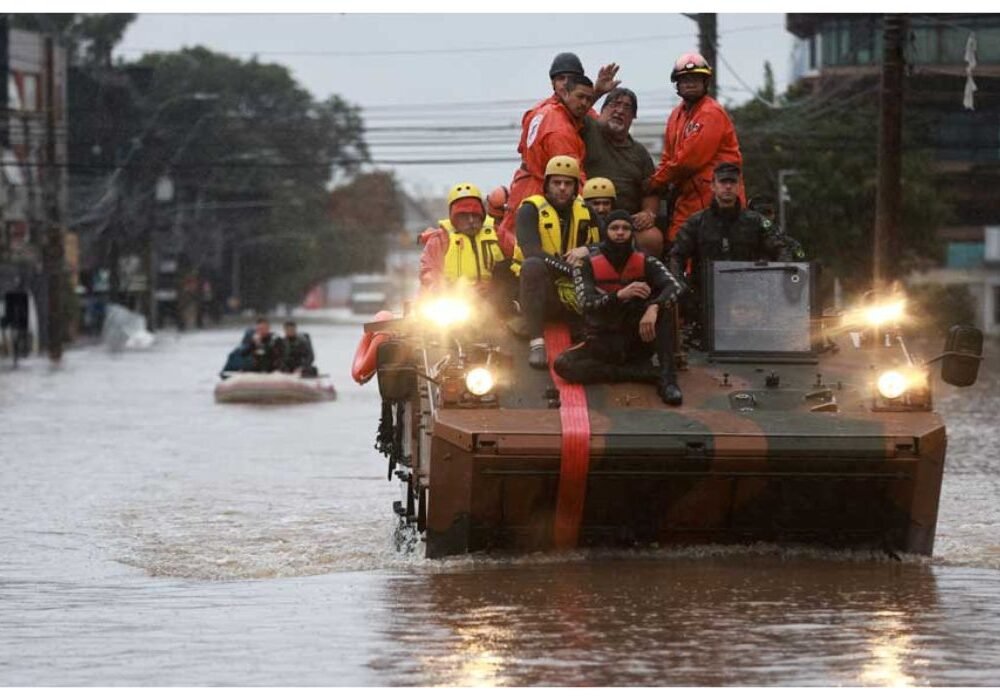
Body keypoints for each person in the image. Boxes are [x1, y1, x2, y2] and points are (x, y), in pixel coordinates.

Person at [554, 210, 684, 405]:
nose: (620, 232)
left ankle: (667, 380)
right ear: (606, 232)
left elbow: (674, 286)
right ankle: (642, 375)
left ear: (632, 233)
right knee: (563, 365)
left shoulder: (646, 261)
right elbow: (586, 303)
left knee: (665, 308)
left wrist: (654, 306)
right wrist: (619, 295)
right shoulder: (586, 265)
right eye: (615, 228)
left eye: (625, 228)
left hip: (638, 340)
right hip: (602, 341)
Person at [667, 163, 790, 321]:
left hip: (750, 300)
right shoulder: (696, 222)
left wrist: (779, 279)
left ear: (739, 186)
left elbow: (781, 249)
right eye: (723, 182)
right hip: (705, 300)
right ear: (713, 186)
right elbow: (677, 255)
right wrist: (679, 284)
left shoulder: (755, 222)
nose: (728, 187)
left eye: (732, 182)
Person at [646, 52, 744, 245]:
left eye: (696, 79)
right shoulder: (676, 115)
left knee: (712, 252)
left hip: (717, 197)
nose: (690, 83)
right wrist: (657, 181)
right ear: (677, 84)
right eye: (685, 79)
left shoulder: (711, 112)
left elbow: (689, 160)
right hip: (688, 197)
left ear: (705, 82)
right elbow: (668, 157)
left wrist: (655, 182)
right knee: (677, 244)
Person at [512, 155, 600, 369]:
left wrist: (587, 249)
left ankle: (589, 335)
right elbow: (531, 251)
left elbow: (609, 244)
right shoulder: (529, 210)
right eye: (556, 183)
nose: (562, 188)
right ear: (547, 185)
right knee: (532, 265)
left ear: (576, 187)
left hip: (575, 291)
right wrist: (572, 270)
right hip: (539, 289)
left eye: (568, 183)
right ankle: (537, 342)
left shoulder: (587, 211)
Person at [499, 73, 597, 255]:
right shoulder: (561, 132)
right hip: (541, 190)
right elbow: (570, 175)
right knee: (538, 253)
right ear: (565, 94)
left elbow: (522, 147)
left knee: (514, 247)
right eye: (580, 97)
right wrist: (593, 211)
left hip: (523, 185)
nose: (585, 103)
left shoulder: (541, 110)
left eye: (588, 99)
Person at [580, 87, 664, 256]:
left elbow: (651, 190)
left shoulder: (639, 152)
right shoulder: (588, 130)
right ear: (602, 110)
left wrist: (648, 213)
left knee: (652, 238)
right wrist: (598, 90)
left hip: (625, 224)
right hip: (588, 217)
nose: (619, 111)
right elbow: (576, 110)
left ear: (633, 117)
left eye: (627, 108)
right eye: (615, 104)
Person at [419, 182, 516, 315]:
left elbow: (520, 258)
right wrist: (439, 289)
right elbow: (428, 271)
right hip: (454, 306)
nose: (471, 221)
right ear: (453, 218)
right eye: (463, 216)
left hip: (496, 304)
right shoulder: (440, 240)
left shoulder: (498, 234)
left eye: (475, 215)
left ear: (482, 215)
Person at [747, 194, 807, 261]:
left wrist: (798, 255)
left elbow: (796, 250)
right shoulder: (749, 228)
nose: (771, 216)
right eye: (766, 212)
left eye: (771, 212)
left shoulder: (776, 230)